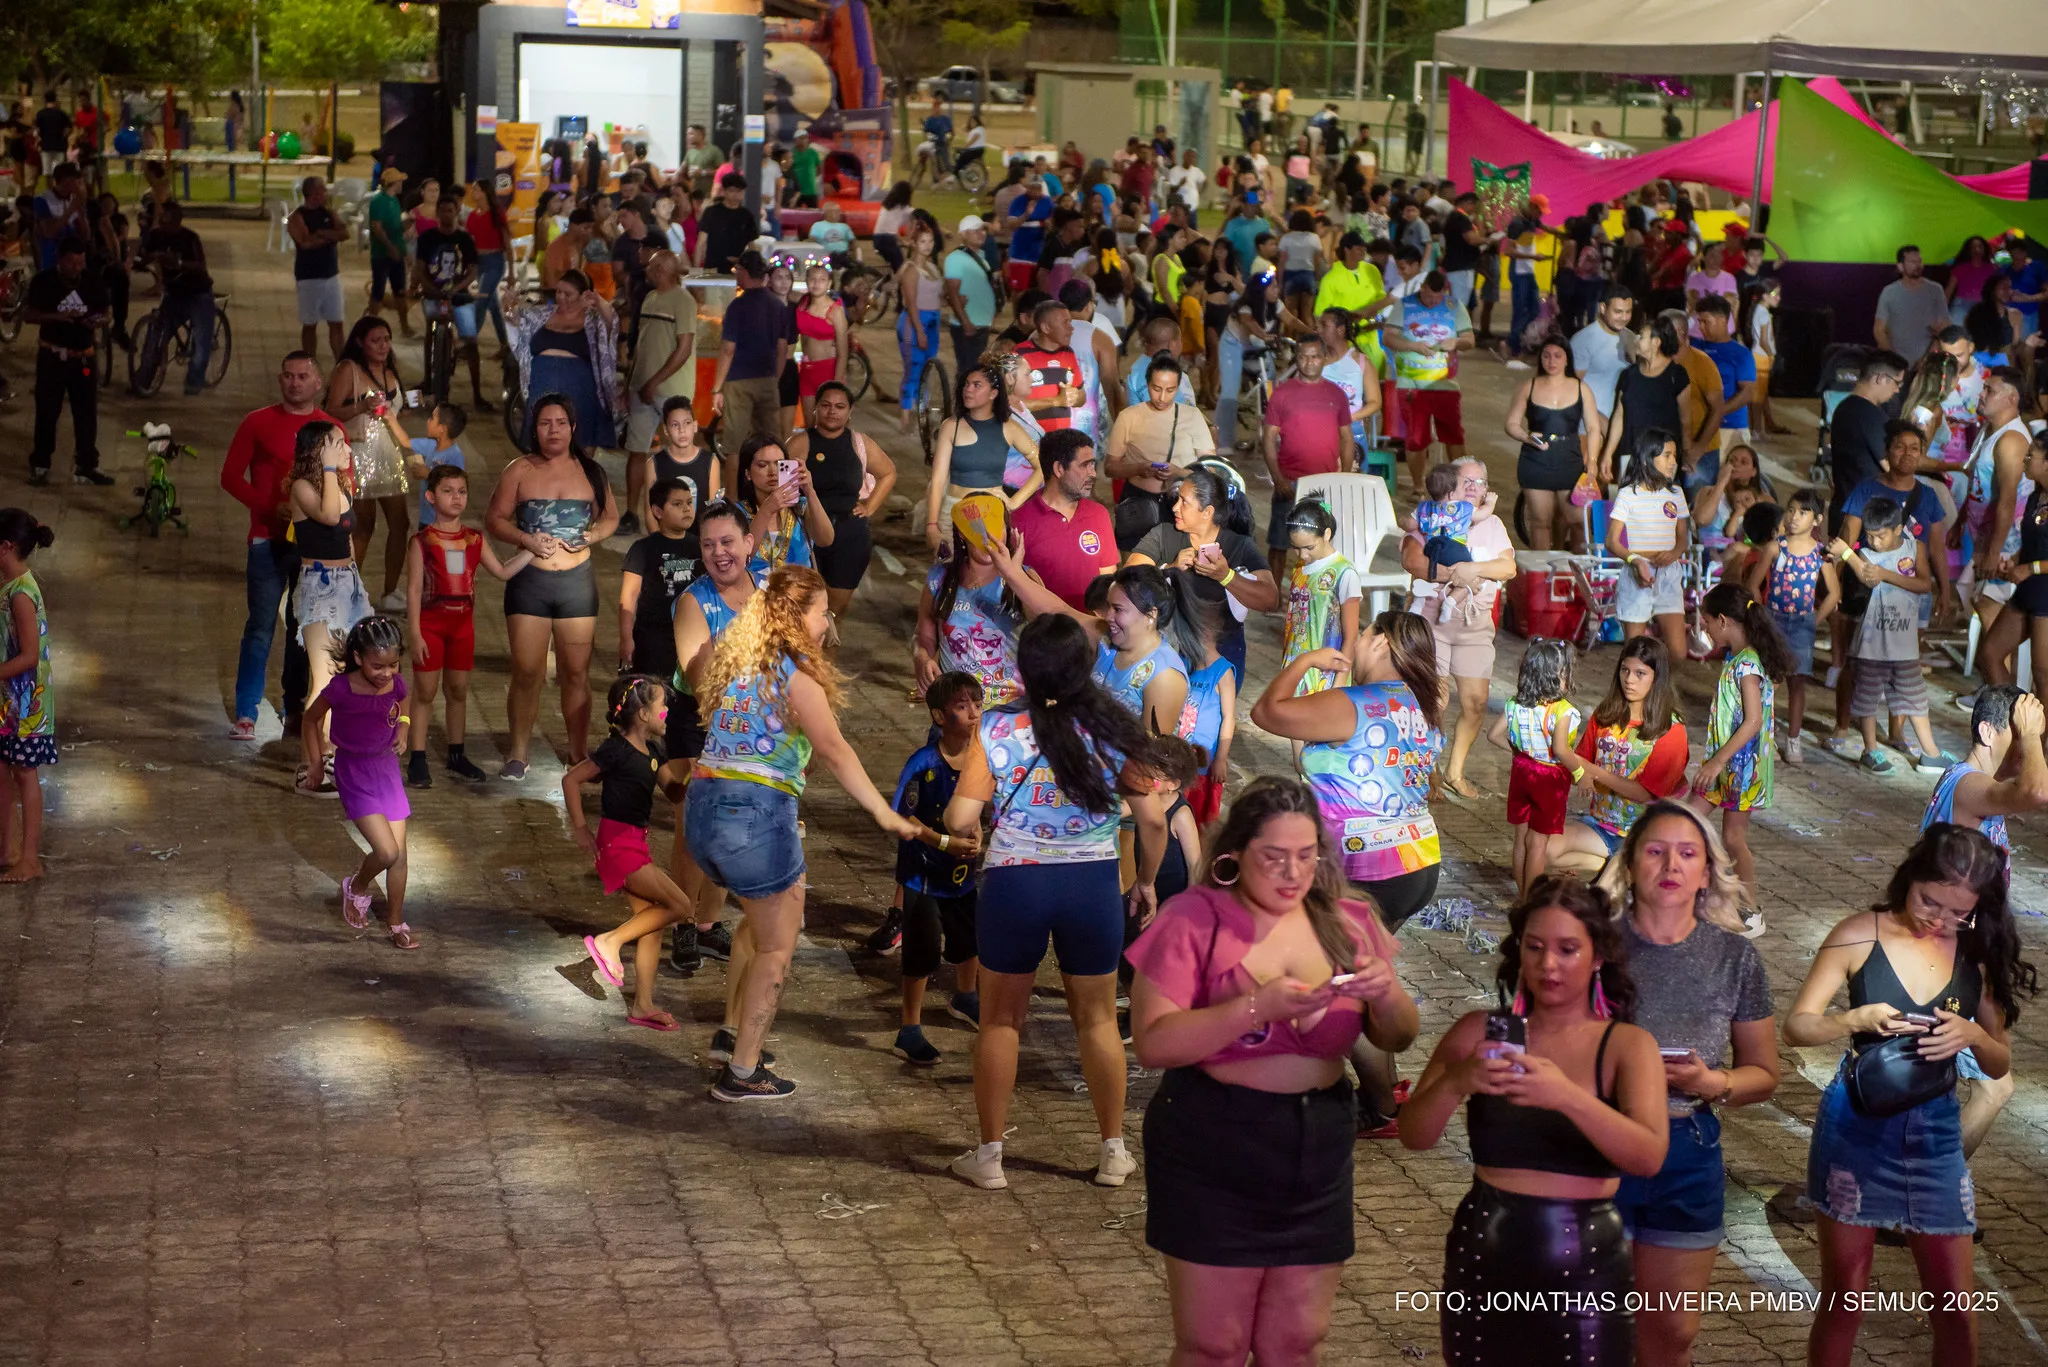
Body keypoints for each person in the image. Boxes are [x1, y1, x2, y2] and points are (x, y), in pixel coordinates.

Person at [1127, 776, 1418, 1365]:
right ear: (1235, 853)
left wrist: (1386, 993)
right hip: (1212, 1140)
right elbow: (1153, 1044)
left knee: (1295, 1342)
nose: (1292, 873)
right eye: (1274, 857)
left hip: (1316, 1146)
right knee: (1215, 1344)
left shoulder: (1349, 920)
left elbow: (1398, 1036)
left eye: (1306, 857)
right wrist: (1255, 1008)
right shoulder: (1193, 919)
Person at [1787, 825, 2034, 1367]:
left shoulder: (1977, 954)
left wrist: (1972, 1035)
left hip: (1935, 1134)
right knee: (1843, 1297)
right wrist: (1853, 1018)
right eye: (1930, 901)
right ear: (1910, 877)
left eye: (1957, 912)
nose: (1938, 920)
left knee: (1954, 1306)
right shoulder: (1857, 934)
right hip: (1854, 1126)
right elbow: (1797, 1026)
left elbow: (2000, 1061)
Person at [1400, 875, 1669, 1365]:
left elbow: (1648, 1157)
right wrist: (1458, 1080)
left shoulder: (1628, 1046)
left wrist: (1566, 1096)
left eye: (1567, 949)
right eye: (1535, 947)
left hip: (1587, 1261)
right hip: (1486, 1252)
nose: (1549, 965)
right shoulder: (1477, 1031)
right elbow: (1414, 1135)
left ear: (1598, 956)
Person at [691, 566, 938, 1101]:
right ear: (796, 617)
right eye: (822, 612)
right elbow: (834, 750)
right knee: (778, 947)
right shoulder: (795, 677)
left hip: (702, 811)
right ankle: (742, 1071)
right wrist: (884, 813)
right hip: (756, 815)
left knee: (755, 930)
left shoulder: (735, 663)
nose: (829, 623)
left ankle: (733, 1036)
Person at [942, 613, 1164, 1187]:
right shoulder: (1113, 727)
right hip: (1090, 883)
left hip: (1016, 883)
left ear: (1025, 668)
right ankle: (1113, 1151)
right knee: (1096, 1022)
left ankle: (990, 1157)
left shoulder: (995, 728)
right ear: (1085, 667)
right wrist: (1146, 879)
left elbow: (961, 816)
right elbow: (1153, 822)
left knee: (1000, 1021)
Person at [1590, 802, 1779, 1362]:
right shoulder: (1594, 949)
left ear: (1706, 872)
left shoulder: (1734, 959)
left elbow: (1764, 1074)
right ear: (1628, 864)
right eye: (1655, 850)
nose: (1671, 864)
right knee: (1595, 1327)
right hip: (1603, 1146)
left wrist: (1710, 1081)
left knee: (1672, 1333)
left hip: (1690, 1152)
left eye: (1687, 853)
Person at [1250, 609, 1444, 1129]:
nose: (1352, 643)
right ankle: (1389, 1090)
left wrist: (1307, 661)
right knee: (1360, 974)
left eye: (1362, 634)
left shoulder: (1356, 704)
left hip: (1365, 870)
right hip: (1416, 860)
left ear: (1381, 641)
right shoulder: (1422, 706)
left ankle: (1381, 1106)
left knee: (1343, 985)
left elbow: (1267, 712)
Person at [485, 395, 621, 780]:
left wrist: (592, 535)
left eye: (561, 422)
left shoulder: (590, 471)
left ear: (573, 428)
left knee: (575, 673)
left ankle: (578, 753)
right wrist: (526, 540)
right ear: (534, 429)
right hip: (530, 583)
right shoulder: (519, 470)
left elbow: (610, 517)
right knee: (526, 671)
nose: (554, 430)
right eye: (545, 423)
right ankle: (518, 752)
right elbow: (494, 519)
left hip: (576, 583)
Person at [570, 676, 698, 1031]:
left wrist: (695, 775)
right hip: (618, 846)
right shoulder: (615, 750)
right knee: (682, 906)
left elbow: (673, 793)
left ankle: (642, 1005)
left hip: (635, 844)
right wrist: (581, 828)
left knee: (653, 925)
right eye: (662, 706)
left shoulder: (655, 753)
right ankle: (609, 941)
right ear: (643, 714)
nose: (667, 712)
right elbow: (572, 780)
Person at [404, 465, 533, 787]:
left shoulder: (474, 538)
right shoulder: (421, 542)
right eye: (448, 491)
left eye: (461, 491)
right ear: (431, 497)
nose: (456, 497)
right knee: (425, 692)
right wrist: (415, 632)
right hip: (431, 626)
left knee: (458, 691)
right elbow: (414, 591)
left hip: (462, 627)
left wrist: (533, 550)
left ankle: (456, 754)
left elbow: (502, 572)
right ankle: (417, 758)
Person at [225, 354, 332, 740]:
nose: (294, 382)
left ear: (318, 382)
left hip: (312, 546)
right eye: (288, 375)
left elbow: (346, 484)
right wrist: (272, 508)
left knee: (302, 630)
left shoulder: (331, 429)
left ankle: (293, 708)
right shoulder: (257, 422)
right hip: (266, 539)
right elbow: (231, 477)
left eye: (303, 376)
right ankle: (246, 711)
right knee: (260, 626)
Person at [1399, 458, 1515, 798]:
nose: (1473, 488)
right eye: (1467, 480)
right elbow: (1413, 560)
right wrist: (1460, 575)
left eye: (1480, 483)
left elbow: (1508, 566)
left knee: (1476, 701)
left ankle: (1456, 770)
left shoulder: (1491, 524)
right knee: (1434, 697)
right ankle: (1428, 768)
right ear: (1451, 483)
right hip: (1432, 622)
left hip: (1475, 626)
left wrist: (1472, 569)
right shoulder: (1433, 514)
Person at [887, 671, 986, 1064]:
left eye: (978, 704)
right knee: (922, 952)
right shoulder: (923, 764)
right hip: (923, 876)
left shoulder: (983, 758)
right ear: (939, 717)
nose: (974, 713)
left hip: (962, 876)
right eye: (962, 707)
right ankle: (908, 1028)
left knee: (969, 940)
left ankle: (965, 997)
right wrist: (946, 841)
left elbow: (980, 803)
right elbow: (903, 820)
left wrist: (976, 835)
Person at [303, 618, 418, 950]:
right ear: (358, 658)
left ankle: (396, 921)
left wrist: (404, 729)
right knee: (386, 851)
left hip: (387, 769)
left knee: (400, 856)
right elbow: (311, 721)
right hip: (354, 772)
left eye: (393, 665)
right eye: (377, 665)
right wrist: (314, 763)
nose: (386, 673)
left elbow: (405, 701)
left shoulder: (396, 684)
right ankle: (356, 886)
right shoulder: (341, 689)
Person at [1547, 637, 1691, 874]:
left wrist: (1594, 772)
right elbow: (1578, 767)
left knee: (1606, 896)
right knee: (1545, 847)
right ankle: (1614, 868)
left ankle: (1626, 870)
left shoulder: (1671, 730)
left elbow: (1645, 794)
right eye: (1625, 670)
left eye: (1640, 673)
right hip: (1601, 825)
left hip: (1644, 834)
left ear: (1657, 679)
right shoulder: (1605, 715)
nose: (1629, 680)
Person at [1126, 465, 1279, 682]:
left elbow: (1270, 600)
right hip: (1169, 649)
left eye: (1184, 503)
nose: (1175, 508)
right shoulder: (1164, 535)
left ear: (1207, 512)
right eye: (1177, 499)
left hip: (1222, 654)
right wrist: (1169, 569)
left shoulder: (1239, 546)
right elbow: (1129, 578)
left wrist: (1226, 576)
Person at [1831, 496, 1949, 775]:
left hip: (1904, 646)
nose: (1875, 542)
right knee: (1868, 698)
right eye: (1870, 536)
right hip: (1872, 645)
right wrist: (1848, 554)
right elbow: (1868, 578)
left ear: (1897, 529)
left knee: (1915, 699)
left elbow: (1922, 584)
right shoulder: (1867, 555)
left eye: (1880, 536)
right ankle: (1870, 750)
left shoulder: (1915, 548)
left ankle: (1930, 753)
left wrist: (1887, 574)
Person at [1692, 581, 1788, 894]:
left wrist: (1717, 762)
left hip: (1741, 770)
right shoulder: (1737, 657)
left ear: (1723, 620)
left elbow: (1753, 721)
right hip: (1724, 766)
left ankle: (1750, 909)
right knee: (1688, 820)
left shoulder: (1746, 664)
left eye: (1706, 622)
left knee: (1733, 839)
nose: (1705, 628)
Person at [325, 317, 418, 612]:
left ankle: (390, 591)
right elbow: (329, 410)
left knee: (400, 522)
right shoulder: (348, 370)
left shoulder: (390, 371)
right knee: (363, 527)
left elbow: (392, 413)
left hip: (388, 456)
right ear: (360, 343)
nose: (382, 345)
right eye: (375, 340)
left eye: (386, 339)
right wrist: (361, 407)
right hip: (360, 454)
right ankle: (349, 592)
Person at [784, 381, 894, 621]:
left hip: (849, 536)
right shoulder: (800, 444)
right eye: (826, 405)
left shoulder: (860, 443)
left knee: (833, 615)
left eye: (840, 406)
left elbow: (888, 472)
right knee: (802, 611)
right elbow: (781, 488)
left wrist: (869, 507)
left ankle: (827, 658)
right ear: (815, 408)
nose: (832, 411)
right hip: (807, 535)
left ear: (850, 411)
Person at [1747, 489, 1841, 766]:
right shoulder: (1776, 547)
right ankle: (1766, 736)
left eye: (1802, 512)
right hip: (1774, 620)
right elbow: (1753, 583)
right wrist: (1760, 615)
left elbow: (1834, 593)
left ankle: (1794, 740)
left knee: (1797, 683)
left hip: (1802, 624)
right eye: (1790, 510)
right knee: (1769, 683)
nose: (1793, 517)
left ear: (1817, 520)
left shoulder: (1820, 555)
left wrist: (1814, 619)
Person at [1487, 638, 1583, 893]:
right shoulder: (1563, 711)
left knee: (1521, 840)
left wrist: (1524, 755)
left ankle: (1521, 895)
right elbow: (1562, 750)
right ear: (1557, 677)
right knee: (1538, 843)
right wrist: (1580, 773)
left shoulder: (1514, 704)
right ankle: (1532, 901)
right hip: (1548, 779)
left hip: (1522, 770)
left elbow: (1494, 735)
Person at [1258, 338, 1355, 578]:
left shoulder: (1337, 394)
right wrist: (1277, 478)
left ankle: (1319, 592)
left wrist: (1344, 477)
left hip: (1326, 485)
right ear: (1296, 357)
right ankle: (1273, 596)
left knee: (1323, 542)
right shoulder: (1281, 394)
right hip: (1290, 483)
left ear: (1324, 358)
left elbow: (1346, 437)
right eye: (1303, 356)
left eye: (1315, 356)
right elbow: (1268, 439)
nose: (1309, 362)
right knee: (1279, 542)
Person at [22, 234, 111, 487]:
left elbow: (106, 313)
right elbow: (29, 315)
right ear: (60, 259)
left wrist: (97, 321)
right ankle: (40, 464)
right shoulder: (44, 282)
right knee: (47, 411)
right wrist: (56, 317)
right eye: (72, 262)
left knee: (86, 412)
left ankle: (86, 465)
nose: (77, 267)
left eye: (80, 262)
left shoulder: (92, 282)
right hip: (52, 356)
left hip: (83, 360)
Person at [504, 268, 622, 452]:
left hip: (579, 385)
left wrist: (597, 300)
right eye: (558, 292)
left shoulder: (593, 319)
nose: (561, 297)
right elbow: (515, 320)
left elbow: (612, 321)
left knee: (581, 440)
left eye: (568, 294)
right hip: (542, 382)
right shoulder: (541, 314)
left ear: (582, 295)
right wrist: (509, 305)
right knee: (542, 440)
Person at [1105, 355, 1215, 551]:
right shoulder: (1129, 417)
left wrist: (1178, 473)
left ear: (1178, 387)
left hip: (1183, 505)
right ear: (1147, 385)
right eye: (1156, 389)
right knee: (1136, 569)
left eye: (1170, 390)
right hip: (1139, 503)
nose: (1162, 397)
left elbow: (1211, 471)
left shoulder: (1192, 416)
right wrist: (1139, 468)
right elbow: (1110, 467)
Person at [1504, 334, 1604, 550]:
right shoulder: (1528, 386)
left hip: (1570, 459)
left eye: (1558, 356)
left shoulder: (1581, 388)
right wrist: (1527, 437)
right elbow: (1511, 423)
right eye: (1547, 356)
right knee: (1540, 523)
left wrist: (1593, 461)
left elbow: (1594, 428)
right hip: (1536, 459)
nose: (1552, 361)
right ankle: (1541, 578)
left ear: (1567, 359)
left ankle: (1578, 576)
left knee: (1578, 521)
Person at [927, 365, 1041, 551]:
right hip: (952, 513)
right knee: (950, 573)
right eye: (966, 384)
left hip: (992, 513)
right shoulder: (950, 426)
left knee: (991, 574)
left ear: (993, 394)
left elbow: (1041, 467)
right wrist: (931, 525)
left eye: (977, 385)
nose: (968, 389)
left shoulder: (1009, 427)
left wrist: (1014, 501)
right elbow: (938, 480)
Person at [621, 252, 697, 531]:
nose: (647, 270)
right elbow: (641, 344)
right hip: (642, 388)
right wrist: (633, 380)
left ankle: (678, 515)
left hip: (670, 390)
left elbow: (684, 348)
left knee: (679, 451)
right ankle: (631, 512)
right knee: (636, 449)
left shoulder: (683, 300)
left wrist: (654, 381)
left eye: (653, 267)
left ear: (664, 269)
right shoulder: (651, 298)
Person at [1384, 271, 1476, 494]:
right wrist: (1413, 346)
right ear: (1422, 288)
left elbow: (1470, 341)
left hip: (1445, 383)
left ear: (1444, 292)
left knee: (1454, 435)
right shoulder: (1404, 306)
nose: (1432, 303)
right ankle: (1418, 486)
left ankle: (1461, 483)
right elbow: (1388, 337)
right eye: (1428, 298)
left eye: (1437, 299)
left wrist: (1456, 342)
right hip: (1411, 384)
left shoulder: (1455, 306)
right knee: (1416, 438)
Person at [1607, 429, 1691, 661]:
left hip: (1669, 575)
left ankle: (1662, 694)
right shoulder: (1628, 495)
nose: (1673, 462)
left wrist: (1674, 553)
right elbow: (1612, 541)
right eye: (1667, 455)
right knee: (1634, 651)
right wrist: (1635, 561)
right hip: (1638, 576)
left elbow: (1682, 536)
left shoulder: (1676, 494)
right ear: (1647, 458)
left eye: (1675, 455)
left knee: (1677, 653)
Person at [1013, 429, 1119, 611]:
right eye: (1085, 465)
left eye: (1092, 465)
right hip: (1046, 632)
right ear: (1059, 469)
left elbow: (1108, 581)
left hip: (1092, 631)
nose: (1093, 473)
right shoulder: (1019, 521)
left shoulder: (1099, 514)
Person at [411, 194, 491, 413]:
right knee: (430, 332)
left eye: (450, 210)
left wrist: (457, 288)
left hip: (460, 296)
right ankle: (428, 378)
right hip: (433, 294)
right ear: (438, 213)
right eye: (443, 210)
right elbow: (420, 267)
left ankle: (477, 394)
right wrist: (427, 287)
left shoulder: (465, 240)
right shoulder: (427, 238)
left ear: (456, 213)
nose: (447, 214)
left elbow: (472, 271)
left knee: (471, 342)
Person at [1278, 499, 1361, 702]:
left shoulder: (1344, 573)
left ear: (1326, 534)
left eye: (1309, 547)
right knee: (1292, 726)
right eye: (1296, 548)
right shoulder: (1299, 568)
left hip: (1325, 672)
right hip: (1295, 663)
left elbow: (1351, 635)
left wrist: (1340, 678)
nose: (1303, 555)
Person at [1600, 313, 1693, 486]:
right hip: (1630, 455)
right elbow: (1619, 415)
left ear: (1656, 342)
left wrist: (1687, 453)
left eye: (1641, 336)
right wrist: (1608, 453)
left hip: (1663, 457)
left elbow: (1686, 420)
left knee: (1661, 508)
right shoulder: (1628, 375)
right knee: (1630, 508)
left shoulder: (1676, 375)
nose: (1636, 340)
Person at [708, 251, 790, 447]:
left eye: (737, 270)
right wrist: (774, 378)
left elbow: (728, 349)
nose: (736, 274)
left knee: (735, 445)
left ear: (744, 272)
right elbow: (782, 348)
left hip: (739, 382)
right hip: (768, 379)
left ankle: (735, 478)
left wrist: (717, 388)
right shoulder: (778, 305)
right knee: (773, 441)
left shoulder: (737, 306)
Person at [287, 176, 349, 362]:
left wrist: (321, 233)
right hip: (309, 278)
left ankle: (341, 362)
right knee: (310, 324)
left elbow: (344, 233)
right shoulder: (297, 217)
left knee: (336, 322)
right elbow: (305, 243)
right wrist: (332, 236)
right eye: (322, 190)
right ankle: (309, 361)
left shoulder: (329, 213)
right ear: (313, 193)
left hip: (331, 275)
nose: (325, 193)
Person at [894, 221, 946, 434]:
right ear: (913, 244)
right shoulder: (911, 270)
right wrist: (920, 331)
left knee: (927, 369)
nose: (928, 246)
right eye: (923, 241)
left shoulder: (932, 267)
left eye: (930, 241)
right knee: (913, 370)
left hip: (932, 322)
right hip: (914, 324)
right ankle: (906, 415)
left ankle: (921, 411)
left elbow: (936, 297)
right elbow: (911, 303)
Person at [1692, 296, 1757, 461]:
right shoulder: (1694, 347)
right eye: (1698, 321)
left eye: (1705, 322)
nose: (1700, 327)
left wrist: (1717, 413)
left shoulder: (1741, 354)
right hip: (1697, 427)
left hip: (1730, 428)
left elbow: (1747, 392)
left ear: (1722, 320)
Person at [1873, 244, 1951, 364]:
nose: (1918, 265)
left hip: (1928, 362)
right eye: (1912, 262)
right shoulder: (1889, 292)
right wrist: (1894, 360)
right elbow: (1879, 330)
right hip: (1896, 361)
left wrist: (1926, 359)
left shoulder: (1935, 290)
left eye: (1919, 261)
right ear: (1900, 266)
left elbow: (1944, 326)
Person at [942, 215, 999, 378]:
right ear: (964, 234)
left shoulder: (981, 257)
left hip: (980, 324)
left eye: (982, 229)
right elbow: (952, 293)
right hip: (968, 326)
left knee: (974, 369)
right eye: (976, 230)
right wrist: (965, 322)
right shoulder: (956, 259)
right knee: (969, 370)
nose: (981, 233)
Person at [1571, 285, 1636, 424]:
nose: (1624, 318)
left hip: (1620, 424)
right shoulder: (1583, 340)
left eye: (1628, 312)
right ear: (1602, 308)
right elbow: (1572, 390)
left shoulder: (1631, 338)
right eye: (1618, 312)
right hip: (1588, 427)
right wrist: (1601, 424)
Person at [365, 168, 413, 336]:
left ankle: (405, 326)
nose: (402, 184)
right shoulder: (379, 201)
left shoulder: (394, 201)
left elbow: (396, 229)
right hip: (382, 254)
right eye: (400, 181)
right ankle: (369, 327)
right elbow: (377, 228)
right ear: (393, 183)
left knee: (400, 291)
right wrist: (390, 247)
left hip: (396, 252)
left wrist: (408, 224)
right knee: (378, 291)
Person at [692, 172, 755, 275]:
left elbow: (751, 245)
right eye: (731, 191)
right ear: (724, 191)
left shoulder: (746, 216)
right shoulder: (712, 212)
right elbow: (700, 243)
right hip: (712, 269)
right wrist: (695, 272)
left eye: (739, 191)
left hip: (737, 271)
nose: (735, 195)